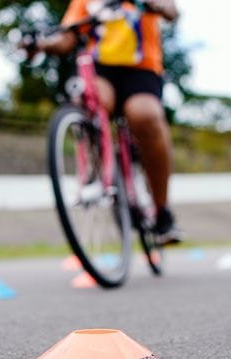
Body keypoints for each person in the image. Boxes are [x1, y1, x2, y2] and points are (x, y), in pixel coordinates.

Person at [31, 0, 181, 245]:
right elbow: (67, 37)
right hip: (100, 69)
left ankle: (162, 210)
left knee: (144, 116)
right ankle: (97, 167)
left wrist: (160, 6)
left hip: (141, 69)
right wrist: (40, 45)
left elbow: (171, 10)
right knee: (88, 101)